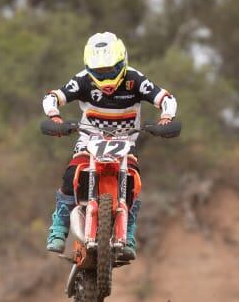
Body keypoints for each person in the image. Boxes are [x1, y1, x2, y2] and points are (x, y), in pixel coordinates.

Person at [42, 31, 178, 260]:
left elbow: (167, 99)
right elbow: (52, 96)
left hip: (126, 139)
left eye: (111, 71)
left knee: (133, 180)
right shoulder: (82, 79)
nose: (106, 79)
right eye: (99, 73)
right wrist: (55, 116)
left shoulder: (136, 80)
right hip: (89, 137)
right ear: (89, 67)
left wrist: (166, 118)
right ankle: (59, 227)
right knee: (70, 175)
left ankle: (129, 232)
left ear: (122, 63)